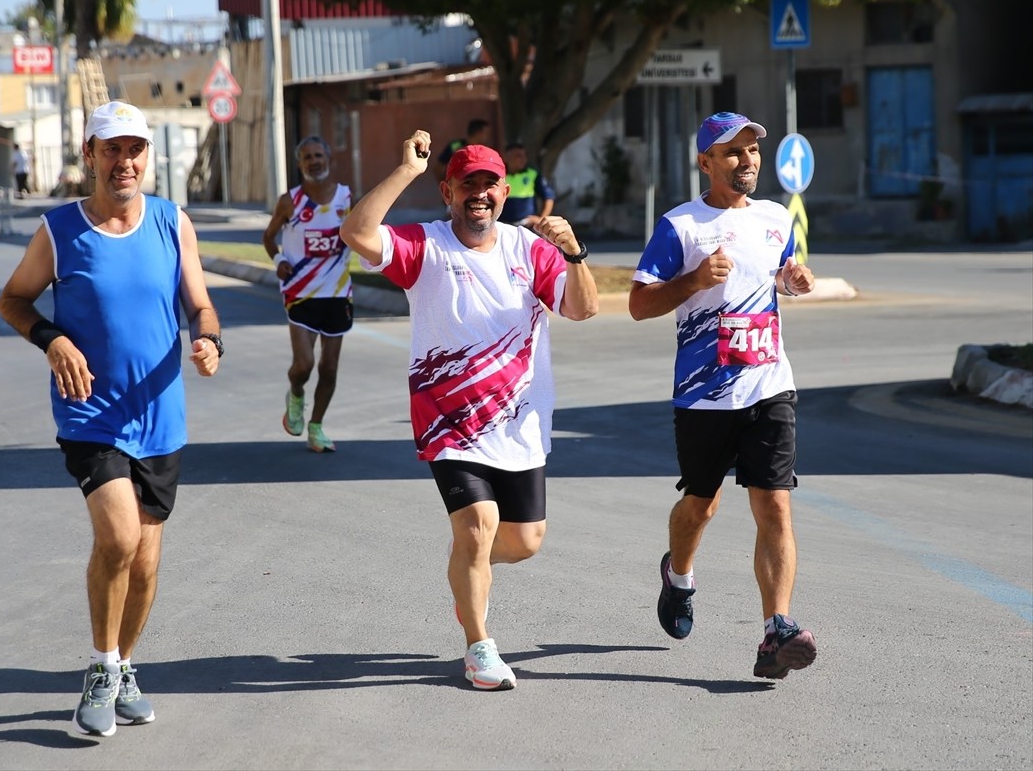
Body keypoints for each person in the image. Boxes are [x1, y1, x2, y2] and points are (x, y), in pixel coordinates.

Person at [0, 100, 224, 736]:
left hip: (161, 418)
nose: (124, 161)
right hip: (89, 414)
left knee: (147, 561)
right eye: (111, 149)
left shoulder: (172, 223)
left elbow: (200, 304)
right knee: (119, 539)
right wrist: (52, 339)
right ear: (90, 155)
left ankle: (125, 667)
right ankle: (99, 669)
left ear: (147, 158)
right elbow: (12, 299)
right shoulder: (60, 230)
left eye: (134, 150)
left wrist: (209, 340)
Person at [340, 132, 598, 691]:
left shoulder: (528, 250)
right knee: (478, 527)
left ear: (504, 192)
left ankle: (467, 574)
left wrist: (573, 252)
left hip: (519, 424)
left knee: (524, 541)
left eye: (488, 185)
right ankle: (479, 648)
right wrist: (405, 169)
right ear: (448, 192)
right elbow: (357, 233)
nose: (478, 194)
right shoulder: (424, 247)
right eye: (467, 185)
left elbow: (583, 308)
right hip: (448, 424)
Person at [627, 110, 818, 680]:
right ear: (705, 162)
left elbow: (776, 273)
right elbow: (639, 304)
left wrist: (794, 279)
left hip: (768, 382)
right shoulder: (680, 226)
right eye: (733, 153)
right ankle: (678, 577)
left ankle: (775, 630)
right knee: (701, 506)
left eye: (753, 151)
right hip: (704, 395)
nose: (748, 161)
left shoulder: (774, 217)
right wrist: (692, 281)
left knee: (775, 506)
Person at [262, 135, 352, 453]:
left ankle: (316, 426)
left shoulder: (347, 198)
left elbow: (362, 233)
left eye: (319, 155)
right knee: (304, 363)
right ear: (300, 164)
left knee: (329, 367)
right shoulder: (290, 201)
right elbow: (269, 237)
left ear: (330, 159)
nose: (314, 161)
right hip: (300, 291)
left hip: (338, 293)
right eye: (307, 157)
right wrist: (279, 260)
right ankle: (296, 393)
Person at [498, 141, 555, 227]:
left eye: (524, 156)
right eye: (518, 156)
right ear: (507, 157)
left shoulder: (532, 174)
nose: (523, 159)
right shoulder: (499, 175)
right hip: (502, 225)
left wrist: (541, 219)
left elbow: (549, 197)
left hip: (526, 225)